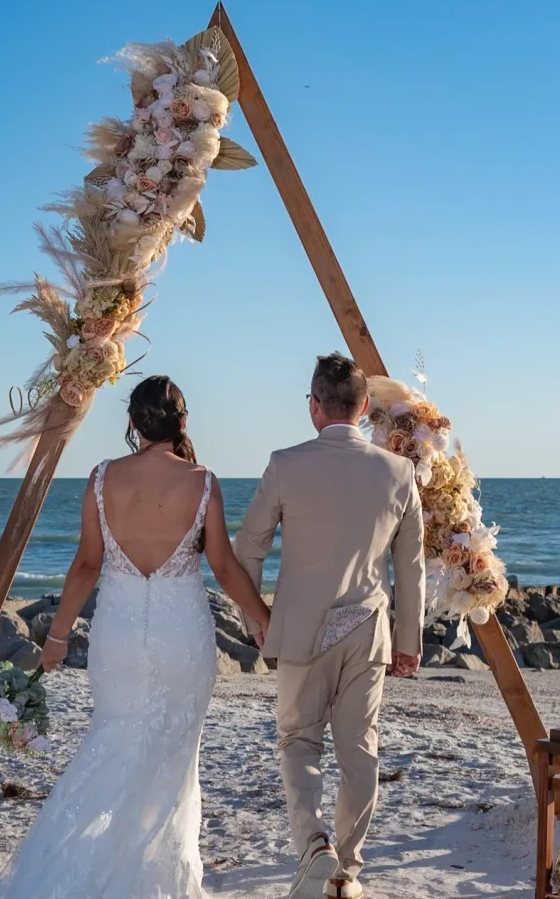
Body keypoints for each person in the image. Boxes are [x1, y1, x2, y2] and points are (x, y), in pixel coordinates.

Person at [0, 375, 271, 899]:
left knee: (111, 739)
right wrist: (262, 620)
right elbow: (225, 569)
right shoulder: (202, 482)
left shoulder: (101, 479)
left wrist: (57, 635)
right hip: (182, 637)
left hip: (116, 637)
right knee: (172, 757)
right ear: (183, 423)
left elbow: (87, 564)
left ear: (132, 424)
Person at [235, 352, 426, 899]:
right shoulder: (398, 471)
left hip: (299, 628)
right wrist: (409, 641)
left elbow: (248, 547)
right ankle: (348, 870)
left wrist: (257, 617)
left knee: (298, 741)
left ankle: (313, 845)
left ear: (315, 406)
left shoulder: (285, 464)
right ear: (364, 408)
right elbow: (409, 569)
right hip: (368, 628)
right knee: (359, 748)